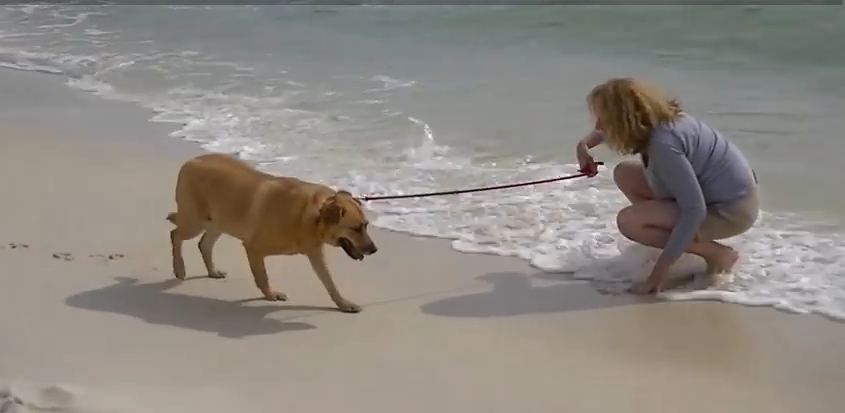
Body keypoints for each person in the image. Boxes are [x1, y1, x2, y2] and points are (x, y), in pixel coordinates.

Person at [575, 77, 760, 295]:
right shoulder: (659, 120)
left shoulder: (665, 144)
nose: (598, 126)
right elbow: (603, 133)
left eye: (604, 119)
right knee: (625, 173)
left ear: (625, 119)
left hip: (730, 211)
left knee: (630, 221)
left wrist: (659, 272)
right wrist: (584, 146)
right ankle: (677, 243)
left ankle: (717, 254)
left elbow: (694, 209)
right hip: (717, 197)